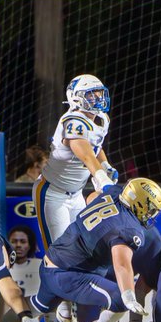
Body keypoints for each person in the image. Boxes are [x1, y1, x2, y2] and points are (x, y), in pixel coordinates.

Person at [27, 178, 161, 322]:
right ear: (139, 203)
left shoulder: (114, 193)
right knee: (118, 295)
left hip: (61, 258)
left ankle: (21, 317)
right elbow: (122, 265)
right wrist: (128, 296)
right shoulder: (131, 229)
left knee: (38, 304)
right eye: (151, 209)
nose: (151, 215)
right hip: (72, 266)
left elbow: (92, 198)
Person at [33, 74, 117, 249]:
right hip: (53, 193)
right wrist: (102, 179)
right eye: (91, 94)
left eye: (99, 93)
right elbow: (85, 154)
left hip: (77, 194)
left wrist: (105, 165)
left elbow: (96, 147)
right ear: (76, 97)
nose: (98, 98)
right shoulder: (73, 121)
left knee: (80, 248)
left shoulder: (102, 118)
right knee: (59, 252)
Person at [7, 226, 41, 299]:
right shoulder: (1, 268)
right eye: (14, 241)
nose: (18, 245)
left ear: (30, 245)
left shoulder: (40, 266)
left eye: (23, 242)